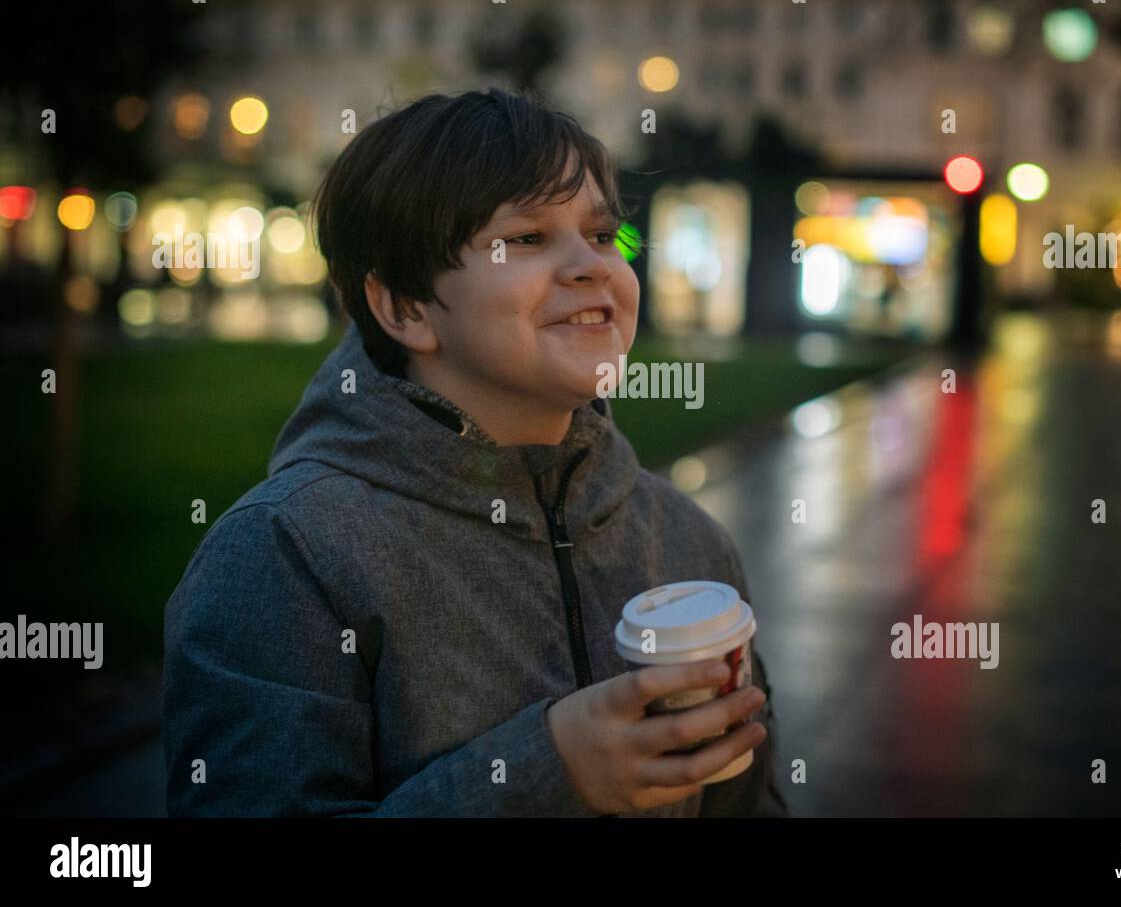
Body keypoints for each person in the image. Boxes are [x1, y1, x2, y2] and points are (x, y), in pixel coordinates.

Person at [162, 88, 789, 817]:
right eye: (526, 238)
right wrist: (550, 775)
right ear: (405, 306)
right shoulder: (288, 556)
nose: (591, 265)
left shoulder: (687, 544)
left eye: (600, 234)